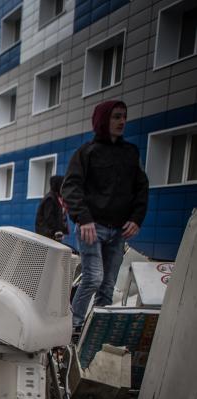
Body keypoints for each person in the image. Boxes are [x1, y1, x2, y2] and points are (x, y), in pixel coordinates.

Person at [63, 100, 148, 332]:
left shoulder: (130, 153)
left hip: (119, 230)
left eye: (124, 116)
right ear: (103, 120)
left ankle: (97, 329)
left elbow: (142, 188)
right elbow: (70, 187)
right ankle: (73, 327)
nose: (122, 121)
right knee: (93, 277)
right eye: (116, 117)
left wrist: (136, 218)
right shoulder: (87, 153)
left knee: (108, 284)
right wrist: (83, 217)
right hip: (92, 228)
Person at [35, 175, 69, 242]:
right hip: (47, 236)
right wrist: (56, 231)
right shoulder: (50, 198)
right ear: (58, 185)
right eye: (62, 184)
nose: (64, 187)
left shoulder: (56, 198)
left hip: (51, 234)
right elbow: (49, 217)